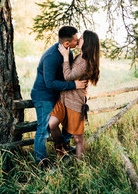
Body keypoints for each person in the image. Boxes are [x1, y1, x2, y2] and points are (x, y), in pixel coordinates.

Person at [30, 26, 87, 165]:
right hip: (43, 95)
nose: (78, 40)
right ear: (67, 43)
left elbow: (68, 75)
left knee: (67, 122)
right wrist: (74, 85)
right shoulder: (51, 56)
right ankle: (41, 162)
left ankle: (62, 149)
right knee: (44, 129)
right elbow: (49, 83)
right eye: (76, 39)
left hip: (58, 95)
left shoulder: (69, 53)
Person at [49, 30, 100, 160]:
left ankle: (80, 165)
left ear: (87, 42)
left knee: (78, 138)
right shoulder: (80, 56)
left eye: (81, 38)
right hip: (64, 98)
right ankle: (61, 148)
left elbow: (68, 76)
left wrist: (66, 57)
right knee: (52, 124)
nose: (78, 40)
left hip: (75, 102)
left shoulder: (85, 62)